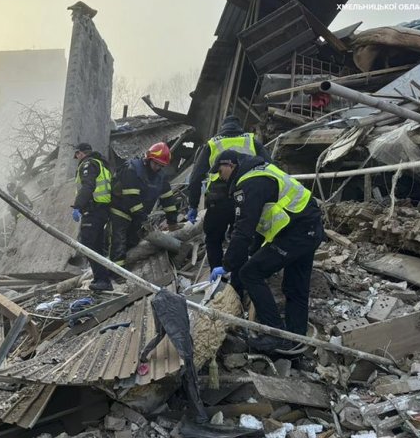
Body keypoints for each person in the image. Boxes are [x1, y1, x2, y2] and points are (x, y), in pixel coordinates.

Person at [209, 149, 324, 352]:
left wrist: (226, 265)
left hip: (297, 233)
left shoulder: (249, 184)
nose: (220, 176)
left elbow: (243, 230)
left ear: (230, 165)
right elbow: (262, 223)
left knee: (249, 273)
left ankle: (275, 334)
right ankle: (294, 340)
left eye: (220, 170)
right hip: (309, 228)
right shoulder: (261, 172)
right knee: (295, 287)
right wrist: (253, 251)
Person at [186, 115, 271, 273]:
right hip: (247, 197)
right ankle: (241, 273)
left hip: (218, 202)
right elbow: (270, 166)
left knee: (213, 239)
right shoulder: (251, 140)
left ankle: (217, 275)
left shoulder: (212, 144)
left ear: (222, 127)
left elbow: (196, 177)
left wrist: (192, 204)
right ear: (239, 126)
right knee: (242, 237)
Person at [108, 142, 179, 290]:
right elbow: (131, 199)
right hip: (121, 209)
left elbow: (168, 199)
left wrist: (172, 220)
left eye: (161, 165)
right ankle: (116, 273)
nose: (158, 168)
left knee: (133, 241)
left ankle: (123, 263)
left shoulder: (160, 177)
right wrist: (143, 219)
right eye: (156, 164)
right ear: (149, 159)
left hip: (138, 214)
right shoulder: (132, 169)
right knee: (119, 240)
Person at [70, 142, 113, 291]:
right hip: (102, 210)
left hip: (93, 210)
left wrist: (78, 206)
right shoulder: (101, 164)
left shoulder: (88, 165)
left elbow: (88, 186)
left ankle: (103, 280)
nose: (77, 158)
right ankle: (102, 278)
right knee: (97, 246)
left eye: (77, 155)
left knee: (88, 244)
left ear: (81, 153)